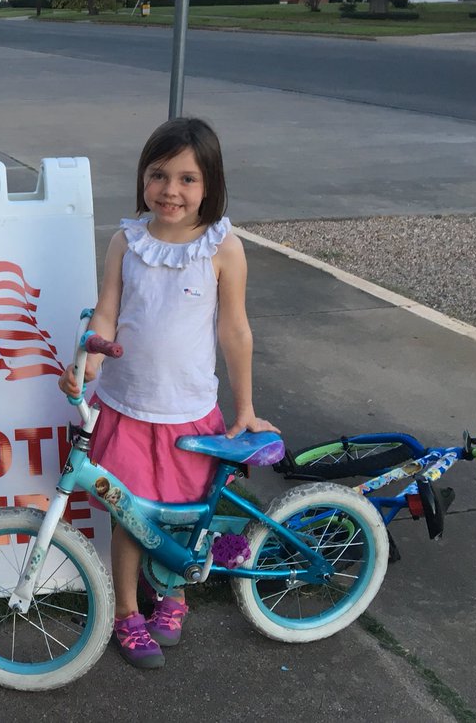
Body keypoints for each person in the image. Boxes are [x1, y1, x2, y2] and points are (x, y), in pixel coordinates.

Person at [59, 117, 278, 670]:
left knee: (181, 517)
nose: (171, 191)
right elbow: (106, 312)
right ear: (143, 179)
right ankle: (127, 612)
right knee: (127, 516)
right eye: (159, 176)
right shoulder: (125, 241)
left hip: (189, 413)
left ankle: (173, 599)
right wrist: (85, 362)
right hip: (126, 407)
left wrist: (246, 408)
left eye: (187, 179)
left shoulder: (224, 248)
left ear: (210, 185)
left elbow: (235, 332)